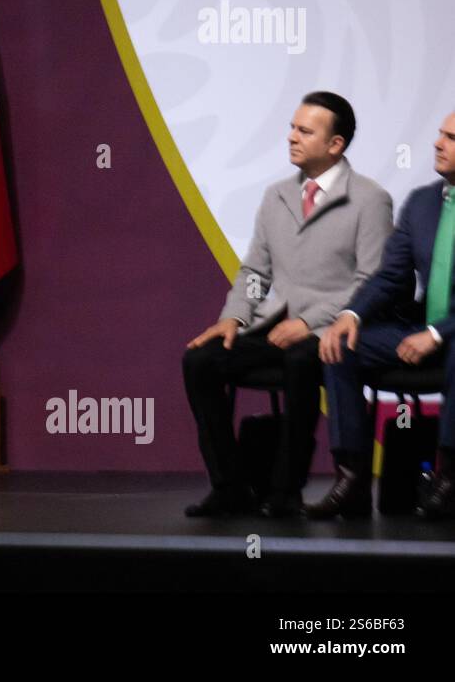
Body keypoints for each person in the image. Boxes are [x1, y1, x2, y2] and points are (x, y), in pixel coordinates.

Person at [182, 93, 393, 517]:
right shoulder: (276, 196)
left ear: (335, 145)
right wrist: (235, 317)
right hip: (275, 326)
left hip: (330, 332)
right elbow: (257, 276)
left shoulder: (370, 199)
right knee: (201, 361)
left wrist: (312, 321)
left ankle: (284, 492)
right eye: (292, 128)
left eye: (304, 131)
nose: (291, 137)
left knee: (301, 362)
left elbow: (371, 281)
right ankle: (231, 486)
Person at [312, 112, 455, 519]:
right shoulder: (423, 202)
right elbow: (392, 275)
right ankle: (352, 478)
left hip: (448, 334)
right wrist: (352, 314)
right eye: (439, 133)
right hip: (420, 330)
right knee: (341, 345)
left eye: (451, 137)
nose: (438, 143)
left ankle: (448, 479)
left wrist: (438, 333)